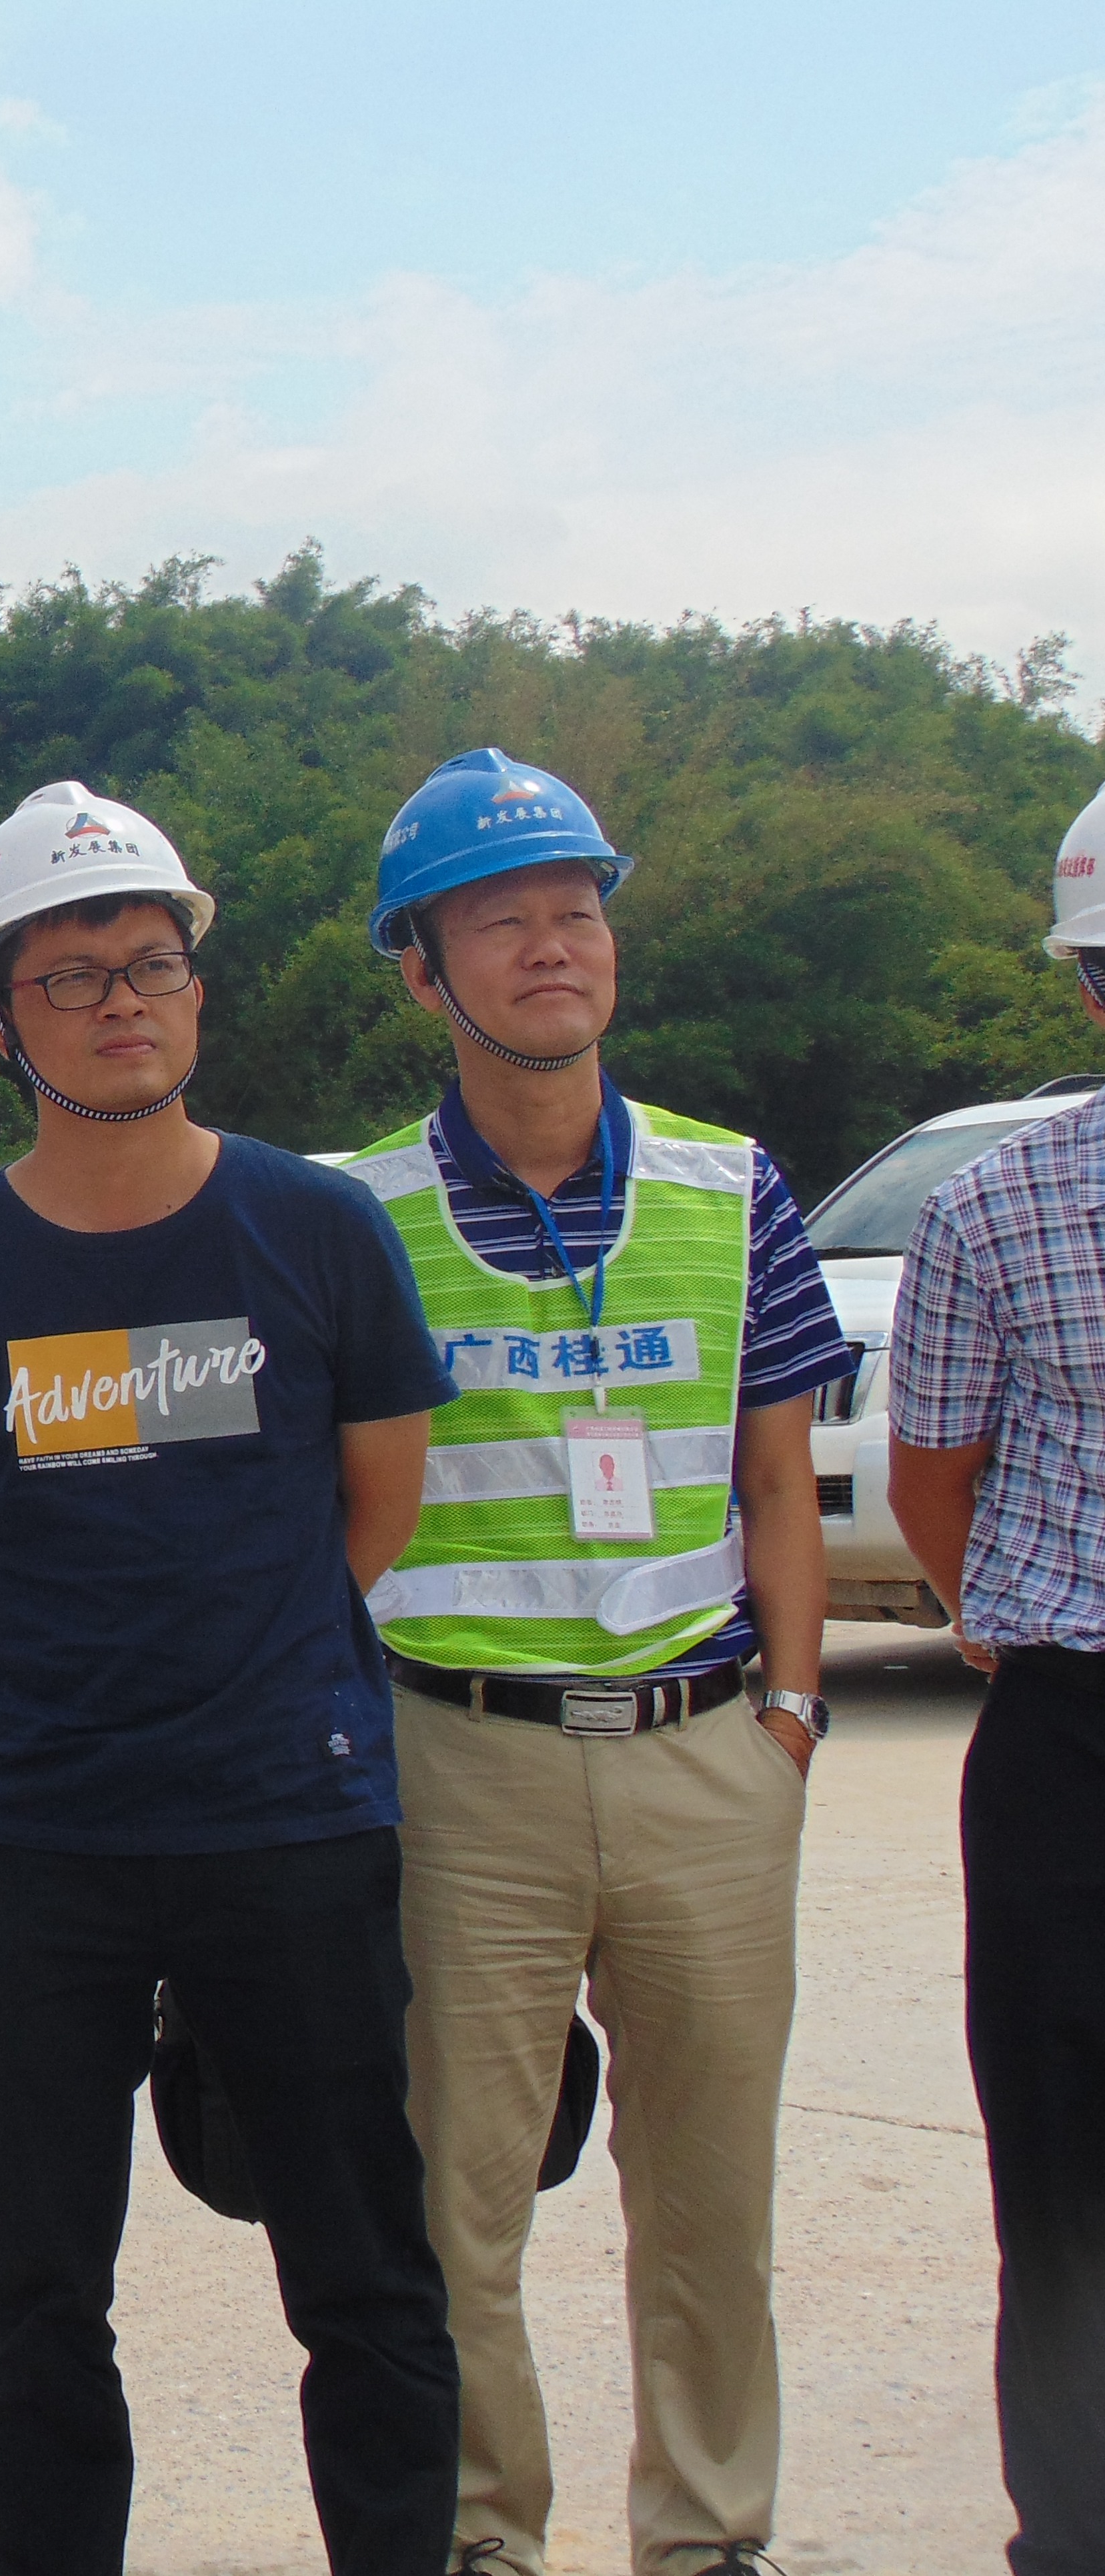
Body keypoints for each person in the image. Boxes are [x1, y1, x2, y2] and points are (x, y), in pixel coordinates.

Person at [0, 781, 461, 2576]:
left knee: (363, 2277)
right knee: (39, 2293)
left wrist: (240, 1656)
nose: (121, 1000)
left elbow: (374, 1508)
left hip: (291, 1822)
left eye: (151, 963)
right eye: (71, 974)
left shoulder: (316, 1228)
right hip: (39, 1840)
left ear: (195, 983)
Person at [348, 749, 844, 2576]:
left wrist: (789, 1714)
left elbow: (776, 1480)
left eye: (576, 912)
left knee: (709, 2197)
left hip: (704, 1742)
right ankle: (485, 2536)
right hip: (455, 1756)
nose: (552, 946)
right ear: (424, 971)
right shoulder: (353, 1214)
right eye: (502, 922)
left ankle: (705, 2535)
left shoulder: (731, 1186)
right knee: (451, 2206)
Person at [888, 776, 1105, 2576]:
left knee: (1061, 2171)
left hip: (1064, 1742)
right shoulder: (991, 1201)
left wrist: (1000, 1614)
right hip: (1062, 1733)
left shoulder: (993, 1200)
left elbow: (931, 1480)